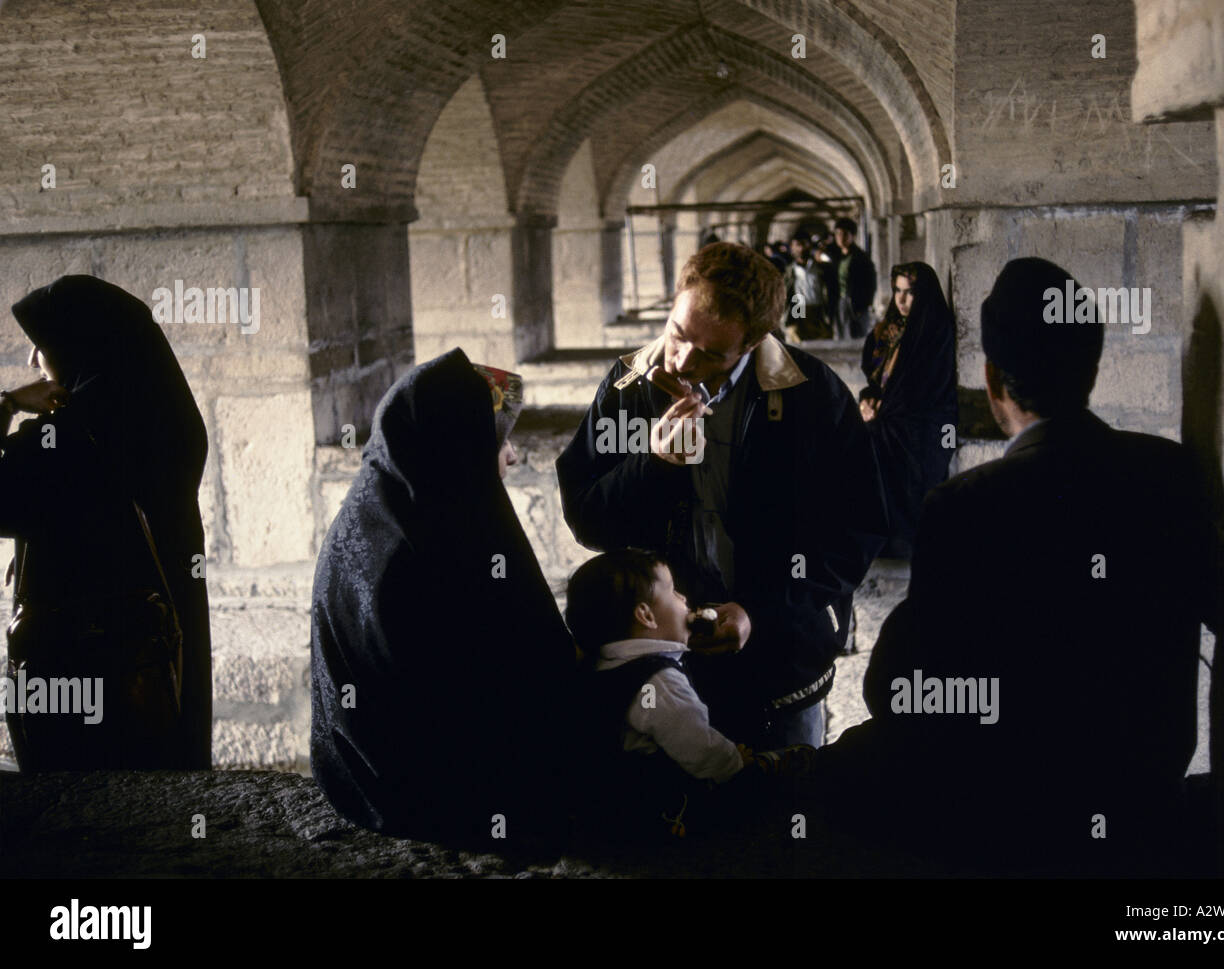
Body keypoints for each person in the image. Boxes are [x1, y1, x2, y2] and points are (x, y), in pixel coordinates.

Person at [816, 258, 1217, 874]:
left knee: (844, 768)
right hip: (1142, 785)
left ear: (993, 379)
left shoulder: (965, 504)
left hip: (1022, 805)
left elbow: (901, 687)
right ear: (1092, 366)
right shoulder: (1169, 470)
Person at [556, 242, 885, 751]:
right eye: (678, 332)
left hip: (780, 662)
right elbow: (589, 523)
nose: (683, 359)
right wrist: (653, 463)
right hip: (661, 662)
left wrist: (760, 613)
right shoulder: (629, 390)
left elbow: (853, 533)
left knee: (779, 800)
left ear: (753, 341)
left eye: (711, 353)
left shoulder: (810, 395)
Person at [310, 348, 578, 848]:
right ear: (459, 445)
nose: (512, 454)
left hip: (359, 778)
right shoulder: (429, 545)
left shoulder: (385, 507)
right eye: (497, 440)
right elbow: (521, 673)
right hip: (428, 792)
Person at [2, 275, 212, 769]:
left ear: (79, 346)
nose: (34, 359)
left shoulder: (68, 438)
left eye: (42, 344)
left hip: (85, 669)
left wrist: (8, 403)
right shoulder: (160, 416)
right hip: (152, 662)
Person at [565, 549, 746, 836]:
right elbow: (700, 748)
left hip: (608, 810)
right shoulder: (659, 680)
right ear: (646, 615)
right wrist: (738, 766)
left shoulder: (605, 665)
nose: (685, 599)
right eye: (674, 592)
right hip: (659, 811)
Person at [859, 262, 958, 558]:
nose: (901, 301)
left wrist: (882, 411)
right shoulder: (890, 331)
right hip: (893, 417)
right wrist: (868, 400)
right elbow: (878, 383)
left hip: (925, 423)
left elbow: (928, 388)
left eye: (910, 293)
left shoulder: (934, 330)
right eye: (897, 291)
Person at [782, 231, 832, 342]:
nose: (800, 249)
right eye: (797, 245)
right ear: (792, 248)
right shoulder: (789, 271)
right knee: (798, 343)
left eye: (804, 244)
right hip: (798, 306)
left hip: (817, 309)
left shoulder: (820, 268)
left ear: (809, 245)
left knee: (821, 342)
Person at [831, 217, 876, 340]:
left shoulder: (861, 258)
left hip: (856, 302)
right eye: (838, 234)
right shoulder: (837, 257)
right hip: (841, 301)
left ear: (853, 236)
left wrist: (865, 304)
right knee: (841, 336)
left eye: (845, 234)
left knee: (857, 336)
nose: (841, 237)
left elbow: (870, 283)